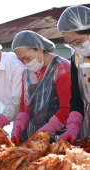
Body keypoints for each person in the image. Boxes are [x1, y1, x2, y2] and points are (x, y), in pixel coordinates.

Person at [10, 30, 71, 144]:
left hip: (61, 138)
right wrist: (18, 126)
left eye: (27, 58)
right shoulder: (27, 73)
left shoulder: (62, 68)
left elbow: (67, 109)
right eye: (21, 60)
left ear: (40, 49)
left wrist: (46, 131)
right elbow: (25, 107)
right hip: (36, 140)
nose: (25, 63)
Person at [57, 6, 90, 148]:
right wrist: (72, 126)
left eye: (77, 41)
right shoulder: (77, 57)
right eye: (70, 43)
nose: (75, 47)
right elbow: (77, 97)